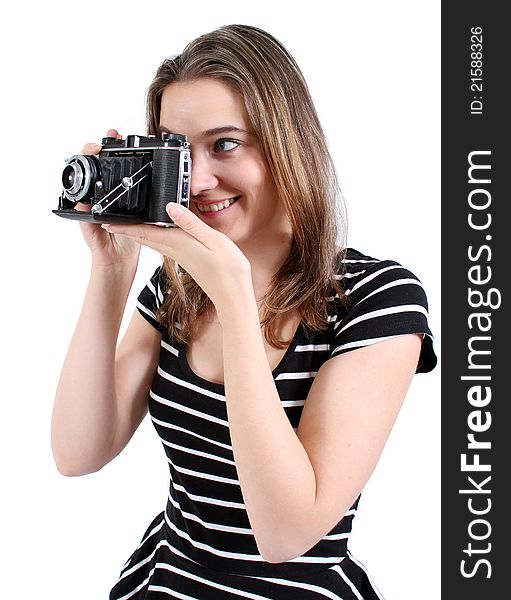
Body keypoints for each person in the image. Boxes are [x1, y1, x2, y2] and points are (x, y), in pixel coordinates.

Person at [52, 24, 437, 599]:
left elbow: (287, 535)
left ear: (287, 142)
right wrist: (110, 272)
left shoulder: (378, 300)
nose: (199, 181)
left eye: (225, 144)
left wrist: (235, 300)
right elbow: (78, 452)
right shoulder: (177, 289)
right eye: (179, 151)